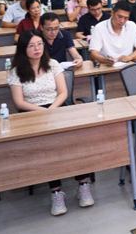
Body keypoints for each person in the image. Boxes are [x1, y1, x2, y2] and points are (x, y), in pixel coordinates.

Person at [7, 29, 93, 215]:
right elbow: (19, 102)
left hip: (56, 107)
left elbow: (63, 92)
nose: (37, 48)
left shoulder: (52, 64)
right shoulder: (16, 71)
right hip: (31, 113)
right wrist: (43, 112)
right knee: (48, 147)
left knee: (75, 141)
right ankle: (56, 192)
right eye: (31, 45)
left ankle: (83, 184)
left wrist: (52, 110)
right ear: (23, 49)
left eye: (39, 44)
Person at [89, 1, 136, 65]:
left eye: (126, 18)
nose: (122, 21)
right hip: (106, 65)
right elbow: (93, 53)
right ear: (112, 13)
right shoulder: (99, 27)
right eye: (119, 17)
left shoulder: (131, 25)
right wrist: (105, 60)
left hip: (127, 64)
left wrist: (130, 57)